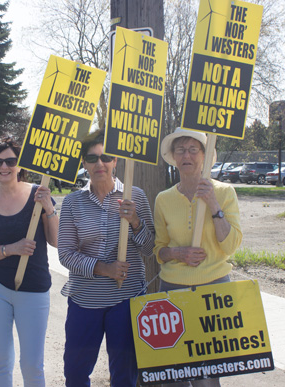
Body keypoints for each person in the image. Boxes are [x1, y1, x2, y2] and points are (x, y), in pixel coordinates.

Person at [57, 129, 155, 386]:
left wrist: (134, 221)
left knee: (125, 375)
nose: (99, 164)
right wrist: (104, 269)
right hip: (85, 300)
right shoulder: (72, 203)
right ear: (83, 164)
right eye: (92, 159)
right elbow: (65, 254)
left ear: (115, 160)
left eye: (106, 157)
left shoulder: (137, 196)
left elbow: (150, 249)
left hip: (126, 299)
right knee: (75, 373)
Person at [153, 128, 243, 387]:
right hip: (173, 290)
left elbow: (231, 246)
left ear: (204, 156)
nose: (187, 155)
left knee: (207, 375)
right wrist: (177, 253)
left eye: (194, 149)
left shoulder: (224, 192)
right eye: (180, 150)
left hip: (213, 289)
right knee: (173, 372)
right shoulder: (163, 199)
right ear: (173, 156)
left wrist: (213, 204)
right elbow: (159, 250)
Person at [0, 137, 58, 387]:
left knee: (32, 365)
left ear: (20, 165)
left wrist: (49, 209)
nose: (4, 166)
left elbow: (55, 240)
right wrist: (12, 249)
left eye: (11, 161)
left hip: (33, 288)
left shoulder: (38, 194)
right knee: (0, 361)